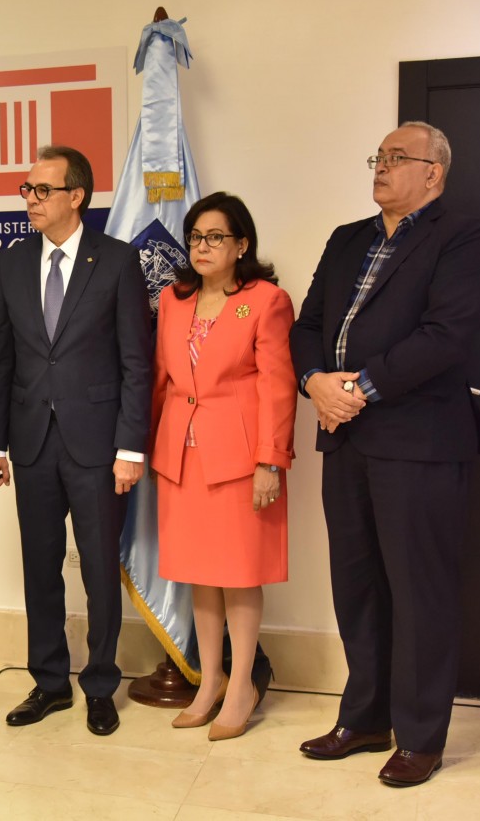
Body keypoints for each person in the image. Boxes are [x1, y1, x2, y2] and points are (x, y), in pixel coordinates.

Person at [291, 122, 480, 787]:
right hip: (344, 435)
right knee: (357, 586)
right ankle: (365, 716)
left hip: (420, 441)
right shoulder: (348, 238)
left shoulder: (461, 237)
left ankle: (420, 734)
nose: (380, 167)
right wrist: (316, 382)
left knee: (419, 591)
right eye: (378, 156)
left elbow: (446, 334)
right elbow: (310, 325)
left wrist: (360, 388)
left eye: (396, 158)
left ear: (432, 173)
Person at [0, 145, 152, 735]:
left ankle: (101, 683)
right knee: (40, 566)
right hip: (30, 443)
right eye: (26, 190)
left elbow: (137, 362)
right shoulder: (10, 263)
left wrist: (131, 448)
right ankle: (50, 682)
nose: (30, 199)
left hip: (100, 446)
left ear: (76, 196)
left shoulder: (118, 261)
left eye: (41, 190)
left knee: (100, 568)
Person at [149, 192, 296, 740]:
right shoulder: (172, 299)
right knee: (199, 576)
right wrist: (144, 449)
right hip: (179, 456)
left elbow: (279, 388)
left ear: (242, 244)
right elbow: (161, 382)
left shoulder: (265, 300)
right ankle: (208, 681)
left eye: (215, 237)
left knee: (238, 573)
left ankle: (241, 685)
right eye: (195, 238)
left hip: (239, 457)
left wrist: (270, 462)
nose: (202, 247)